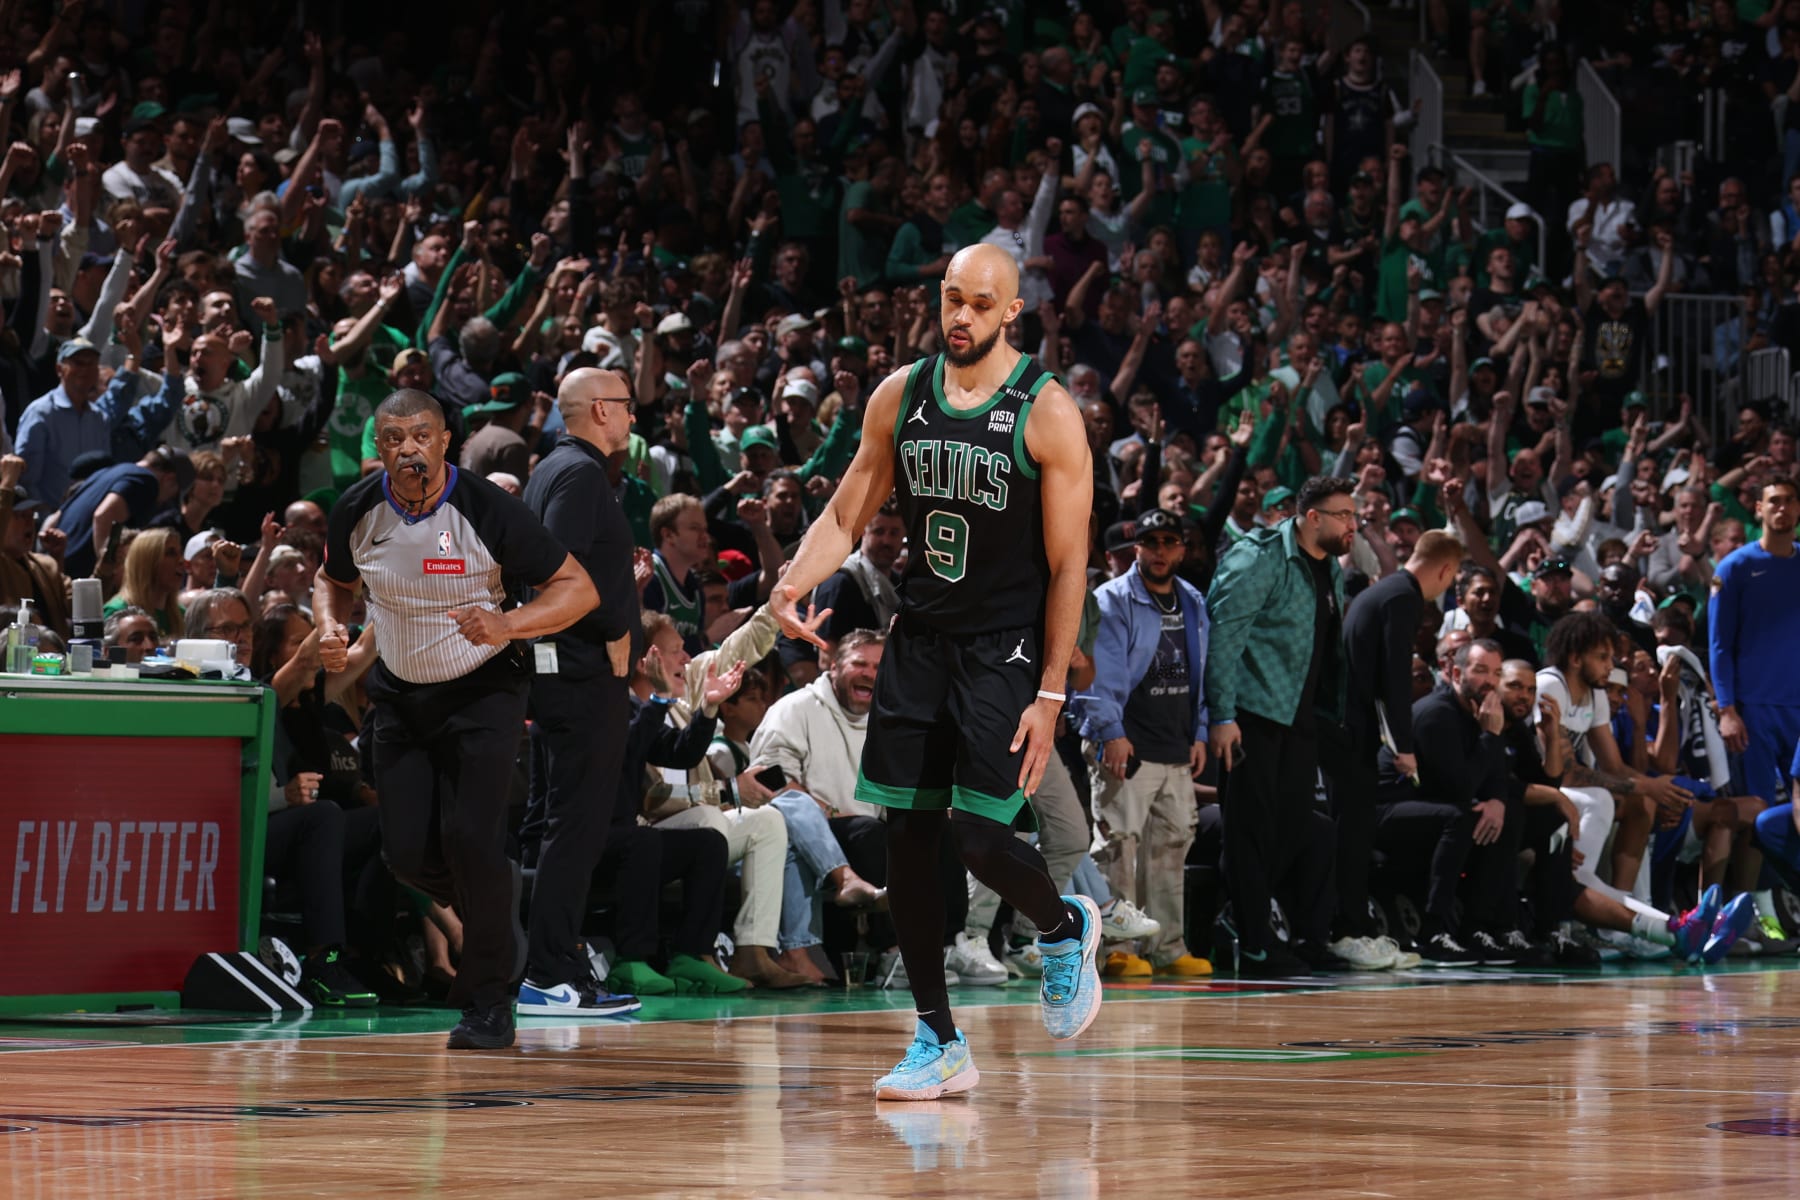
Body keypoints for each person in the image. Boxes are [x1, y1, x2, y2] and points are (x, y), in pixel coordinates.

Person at [774, 243, 1103, 1101]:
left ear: (1010, 315)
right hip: (919, 639)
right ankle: (937, 1037)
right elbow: (849, 507)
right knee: (908, 838)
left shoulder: (1048, 410)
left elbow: (1070, 567)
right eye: (951, 298)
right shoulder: (901, 394)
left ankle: (1064, 929)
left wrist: (1053, 695)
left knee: (986, 837)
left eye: (979, 303)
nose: (960, 316)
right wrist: (791, 582)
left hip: (1006, 649)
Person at [315, 389, 599, 1051]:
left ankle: (489, 1001)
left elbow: (577, 589)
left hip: (484, 690)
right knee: (407, 855)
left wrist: (507, 621)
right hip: (401, 693)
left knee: (473, 839)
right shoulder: (356, 509)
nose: (408, 448)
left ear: (445, 441)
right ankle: (496, 903)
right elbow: (335, 579)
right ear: (377, 448)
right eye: (393, 437)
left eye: (421, 434)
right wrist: (333, 623)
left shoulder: (486, 508)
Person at [514, 367, 643, 1018]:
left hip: (561, 667)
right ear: (598, 409)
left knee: (560, 822)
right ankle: (549, 971)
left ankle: (546, 964)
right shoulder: (580, 473)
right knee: (576, 825)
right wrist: (616, 626)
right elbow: (553, 569)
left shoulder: (554, 470)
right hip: (579, 671)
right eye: (625, 406)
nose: (632, 418)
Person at [1204, 475, 1356, 976]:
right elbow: (1223, 635)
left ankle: (1266, 926)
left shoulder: (1329, 565)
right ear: (1313, 518)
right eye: (1344, 516)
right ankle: (1252, 940)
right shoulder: (1260, 556)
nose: (1353, 525)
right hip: (1251, 716)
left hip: (1299, 714)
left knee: (1296, 825)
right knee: (1249, 831)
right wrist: (1221, 716)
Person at [1074, 507, 1213, 977]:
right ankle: (1120, 948)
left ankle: (1169, 947)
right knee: (1119, 846)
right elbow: (1097, 676)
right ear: (1136, 548)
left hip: (1175, 743)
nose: (1159, 552)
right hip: (1128, 744)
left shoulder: (1192, 600)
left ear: (1182, 548)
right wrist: (1110, 732)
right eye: (1151, 543)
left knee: (1171, 846)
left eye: (1169, 542)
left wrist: (1199, 732)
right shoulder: (1113, 599)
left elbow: (1201, 674)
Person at [1330, 529, 1465, 970]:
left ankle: (1354, 926)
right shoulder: (1404, 597)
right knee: (1352, 835)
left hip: (1348, 727)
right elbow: (1394, 676)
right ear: (1445, 570)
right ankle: (1348, 931)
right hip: (1353, 731)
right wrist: (1403, 746)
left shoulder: (1387, 591)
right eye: (1452, 578)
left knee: (1355, 833)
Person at [1711, 478, 1800, 815]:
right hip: (1753, 710)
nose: (1783, 507)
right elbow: (1719, 645)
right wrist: (1727, 709)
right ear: (1759, 508)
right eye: (1774, 501)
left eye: (1790, 500)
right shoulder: (1734, 568)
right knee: (1756, 809)